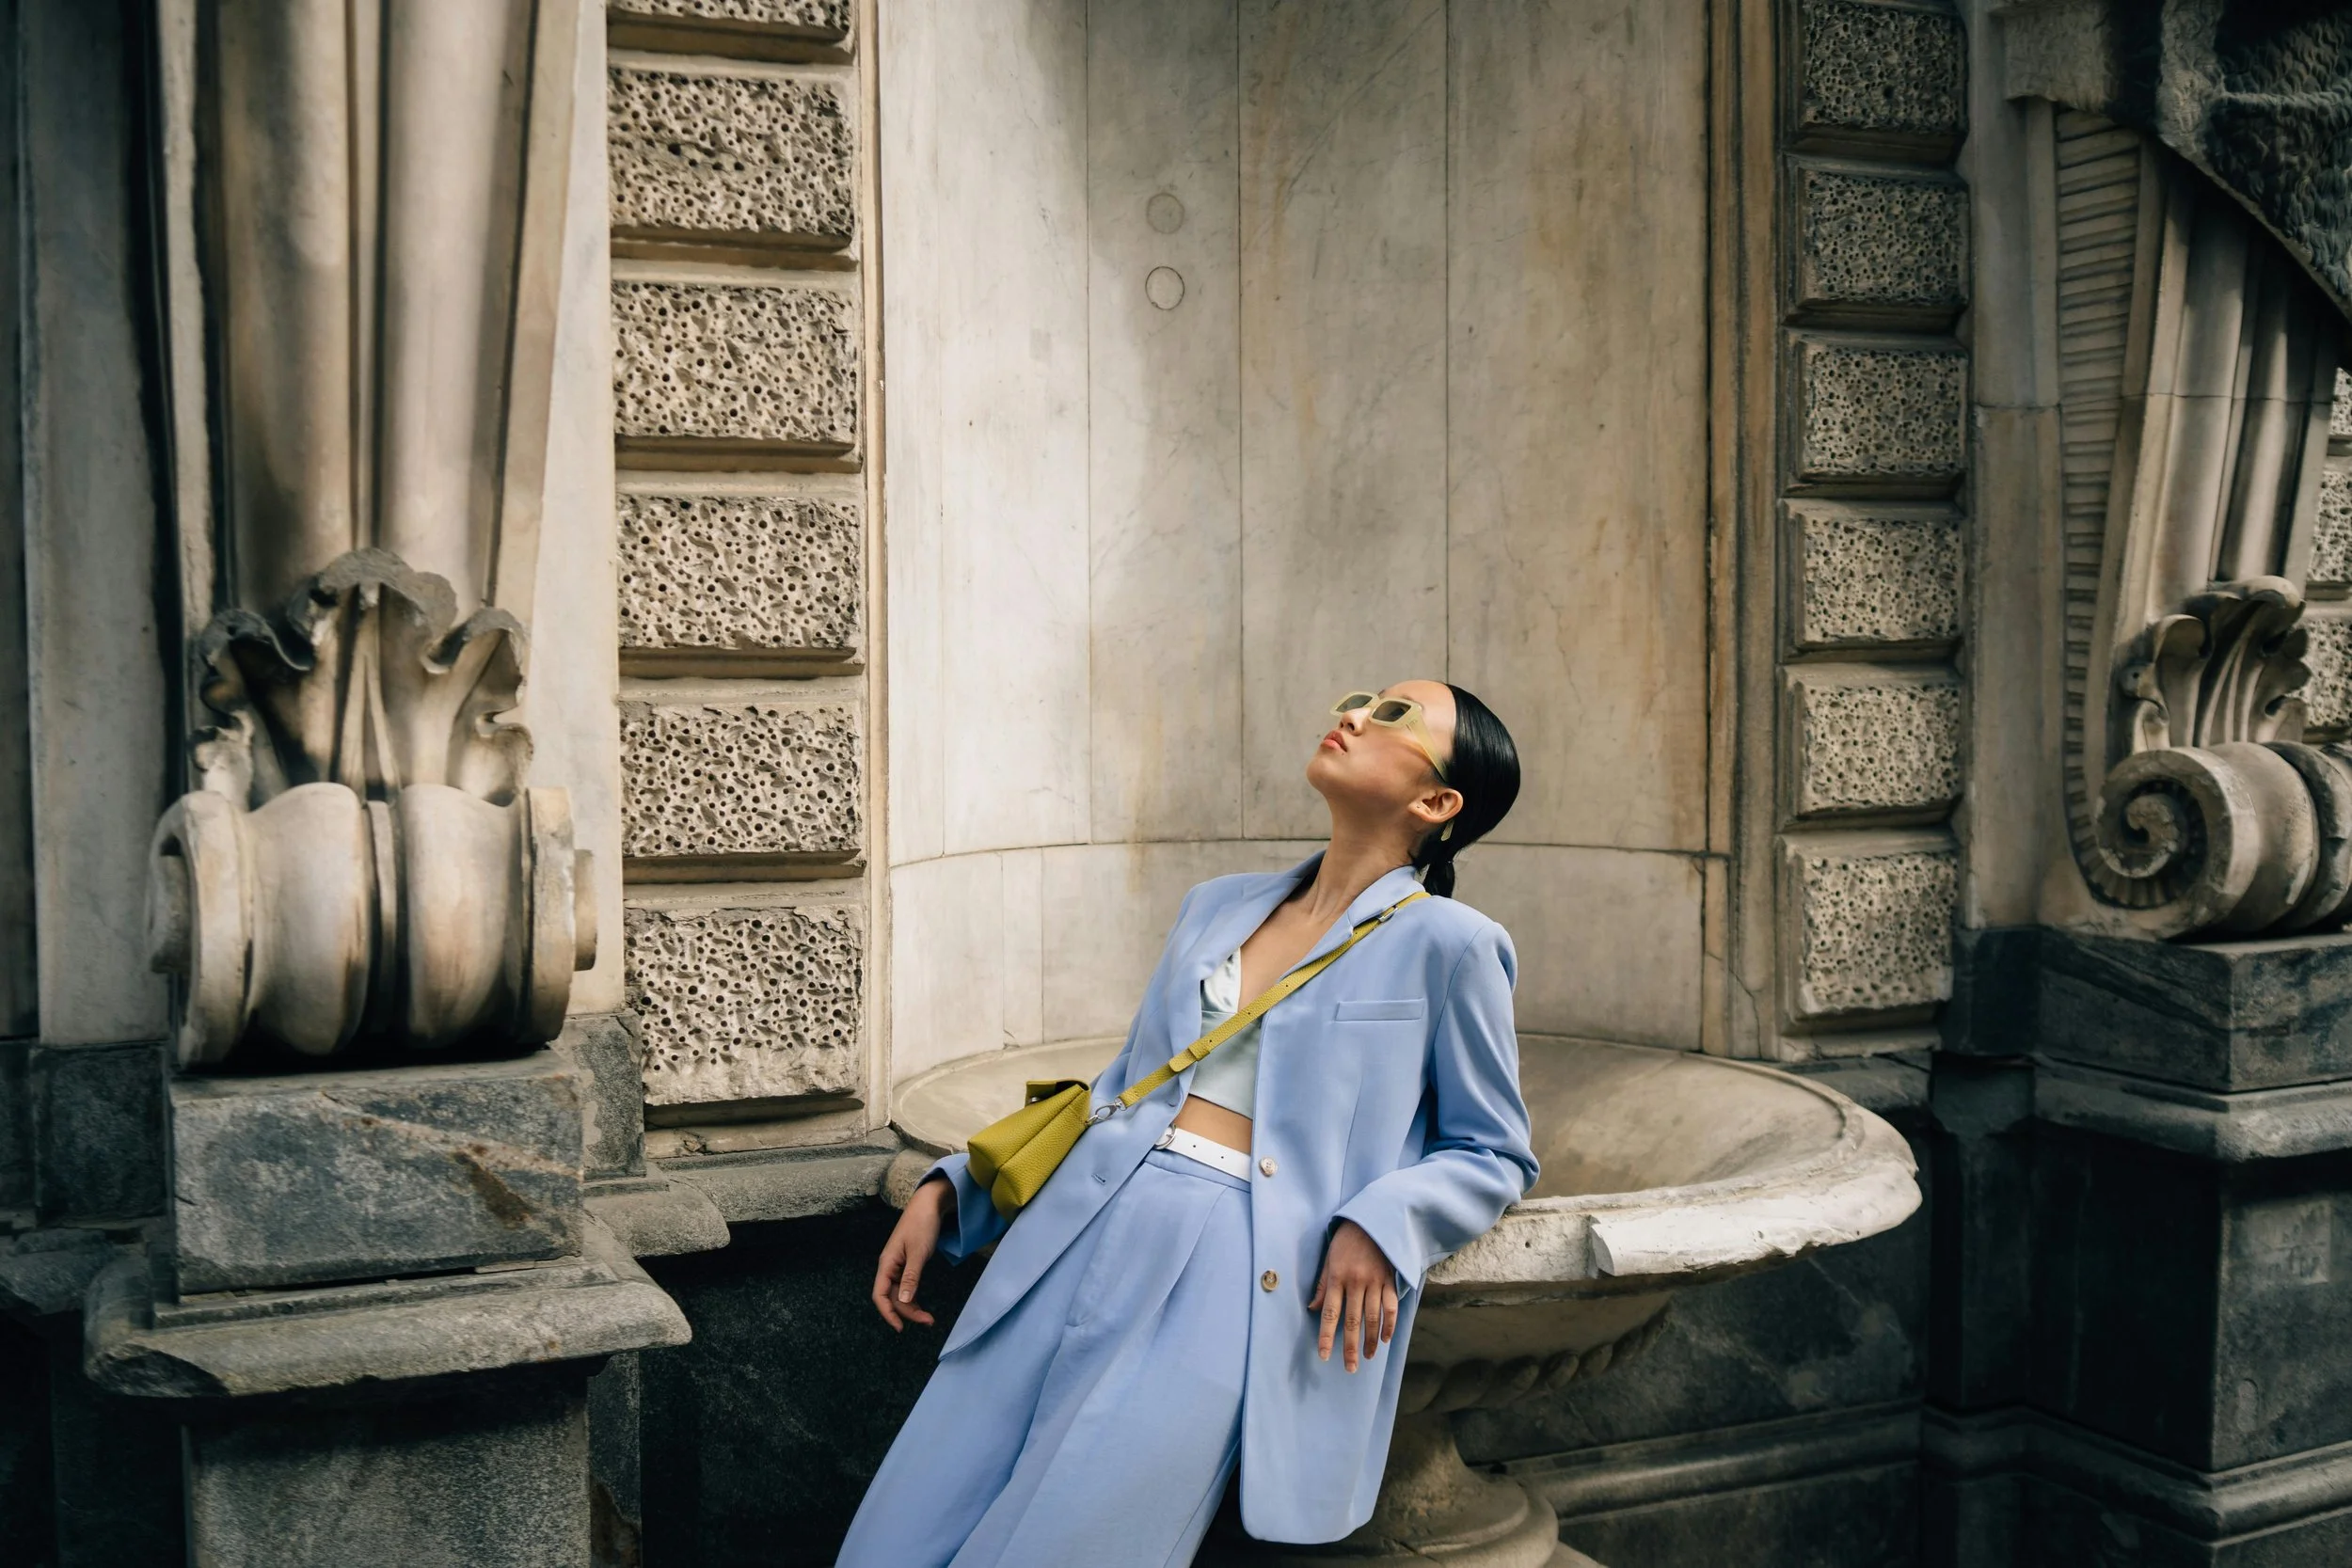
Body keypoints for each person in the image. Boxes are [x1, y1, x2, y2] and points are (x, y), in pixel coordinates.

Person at [837, 681, 1536, 1568]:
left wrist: (1383, 1221)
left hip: (1237, 1267)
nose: (1354, 715)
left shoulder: (1452, 944)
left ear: (1436, 803)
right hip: (1080, 1224)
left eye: (1394, 715)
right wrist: (959, 1187)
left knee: (1078, 1542)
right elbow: (1124, 1087)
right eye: (1361, 698)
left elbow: (1493, 1149)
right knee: (909, 1521)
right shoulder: (1217, 903)